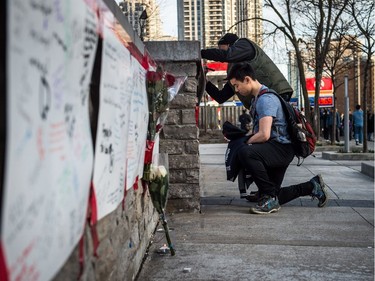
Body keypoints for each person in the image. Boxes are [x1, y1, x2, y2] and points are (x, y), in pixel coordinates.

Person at [226, 62, 328, 214]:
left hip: (281, 149)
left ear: (247, 79)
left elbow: (264, 134)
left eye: (237, 85)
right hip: (278, 148)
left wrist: (245, 141)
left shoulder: (265, 100)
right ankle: (312, 186)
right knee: (274, 193)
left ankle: (268, 196)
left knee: (245, 152)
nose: (237, 90)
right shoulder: (258, 98)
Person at [201, 33, 293, 109]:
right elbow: (221, 97)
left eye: (221, 48)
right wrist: (204, 82)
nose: (219, 52)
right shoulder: (236, 68)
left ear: (229, 45)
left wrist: (200, 53)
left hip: (275, 94)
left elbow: (226, 55)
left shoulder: (244, 45)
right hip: (262, 100)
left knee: (271, 129)